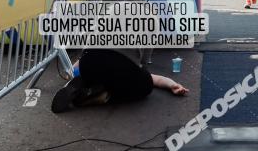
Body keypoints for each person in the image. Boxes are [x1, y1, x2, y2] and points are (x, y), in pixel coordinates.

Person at [51, 48, 188, 113]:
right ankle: (105, 95)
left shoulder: (109, 14)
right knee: (144, 85)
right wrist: (173, 85)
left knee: (89, 73)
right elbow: (149, 74)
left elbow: (82, 59)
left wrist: (73, 73)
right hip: (122, 67)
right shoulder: (149, 24)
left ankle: (82, 85)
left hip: (90, 60)